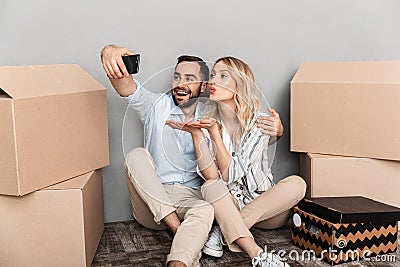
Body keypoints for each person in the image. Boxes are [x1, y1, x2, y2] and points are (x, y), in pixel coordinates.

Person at [101, 45, 285, 267]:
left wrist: (275, 133)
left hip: (192, 201)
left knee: (205, 208)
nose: (180, 84)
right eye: (177, 77)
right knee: (137, 156)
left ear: (204, 86)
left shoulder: (213, 116)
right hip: (152, 200)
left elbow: (245, 141)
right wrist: (109, 53)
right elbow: (126, 87)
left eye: (189, 78)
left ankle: (180, 260)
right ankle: (178, 228)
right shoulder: (155, 105)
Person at [167, 56, 306, 267]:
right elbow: (213, 177)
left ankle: (223, 232)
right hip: (228, 206)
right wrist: (200, 135)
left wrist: (213, 134)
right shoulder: (207, 119)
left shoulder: (259, 122)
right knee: (210, 186)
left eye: (223, 77)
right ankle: (258, 255)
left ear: (239, 85)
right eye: (213, 75)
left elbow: (233, 174)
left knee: (298, 183)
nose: (213, 81)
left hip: (266, 210)